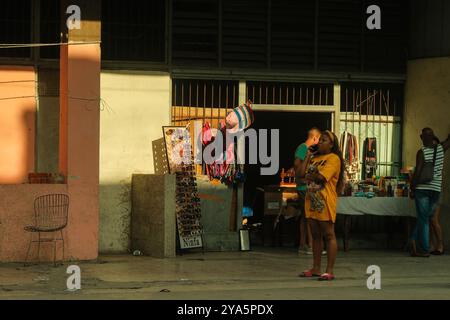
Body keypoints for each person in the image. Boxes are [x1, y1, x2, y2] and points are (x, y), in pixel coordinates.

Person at [298, 130, 345, 281]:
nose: (320, 142)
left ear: (331, 145)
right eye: (320, 140)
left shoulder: (334, 159)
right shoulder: (315, 158)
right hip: (311, 201)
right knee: (316, 236)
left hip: (324, 201)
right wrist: (308, 157)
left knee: (328, 235)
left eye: (324, 140)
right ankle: (316, 268)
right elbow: (300, 174)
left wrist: (309, 176)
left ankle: (329, 270)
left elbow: (321, 178)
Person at [410, 128, 450, 257]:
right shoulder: (441, 148)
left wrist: (412, 188)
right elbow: (449, 140)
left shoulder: (421, 152)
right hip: (436, 190)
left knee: (423, 219)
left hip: (422, 189)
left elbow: (418, 172)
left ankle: (424, 249)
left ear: (422, 138)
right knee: (425, 217)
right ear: (433, 136)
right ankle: (413, 242)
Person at [294, 127, 321, 255]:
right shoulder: (303, 148)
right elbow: (297, 165)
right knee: (309, 217)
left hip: (304, 187)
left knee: (305, 217)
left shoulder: (306, 149)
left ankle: (303, 245)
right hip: (304, 188)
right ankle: (311, 246)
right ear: (314, 138)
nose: (319, 143)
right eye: (319, 139)